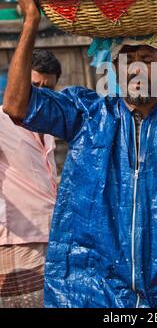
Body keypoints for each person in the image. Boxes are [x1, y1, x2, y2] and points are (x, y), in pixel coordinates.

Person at [3, 0, 157, 309]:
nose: (137, 67)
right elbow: (16, 106)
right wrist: (30, 23)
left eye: (147, 58)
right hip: (91, 289)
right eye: (129, 60)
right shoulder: (87, 114)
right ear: (116, 69)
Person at [0, 48, 61, 308]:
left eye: (48, 88)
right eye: (34, 85)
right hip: (17, 239)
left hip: (50, 234)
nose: (40, 94)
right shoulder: (1, 121)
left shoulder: (47, 125)